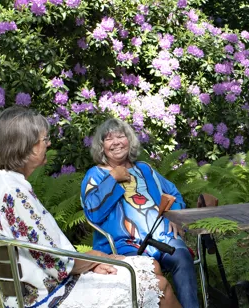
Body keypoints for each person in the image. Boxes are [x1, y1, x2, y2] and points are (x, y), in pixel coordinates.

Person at [0, 106, 181, 308]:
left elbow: (43, 253)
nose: (48, 144)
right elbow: (56, 261)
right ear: (27, 146)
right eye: (44, 139)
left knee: (151, 266)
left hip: (38, 286)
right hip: (51, 296)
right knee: (159, 286)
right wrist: (96, 258)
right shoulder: (14, 192)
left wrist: (92, 261)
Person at [80, 118, 199, 308]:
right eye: (109, 139)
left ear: (129, 140)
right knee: (148, 270)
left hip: (162, 237)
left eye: (121, 136)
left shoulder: (145, 169)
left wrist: (175, 215)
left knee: (182, 258)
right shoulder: (95, 175)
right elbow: (93, 212)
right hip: (124, 244)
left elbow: (173, 194)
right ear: (102, 147)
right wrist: (113, 178)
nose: (116, 142)